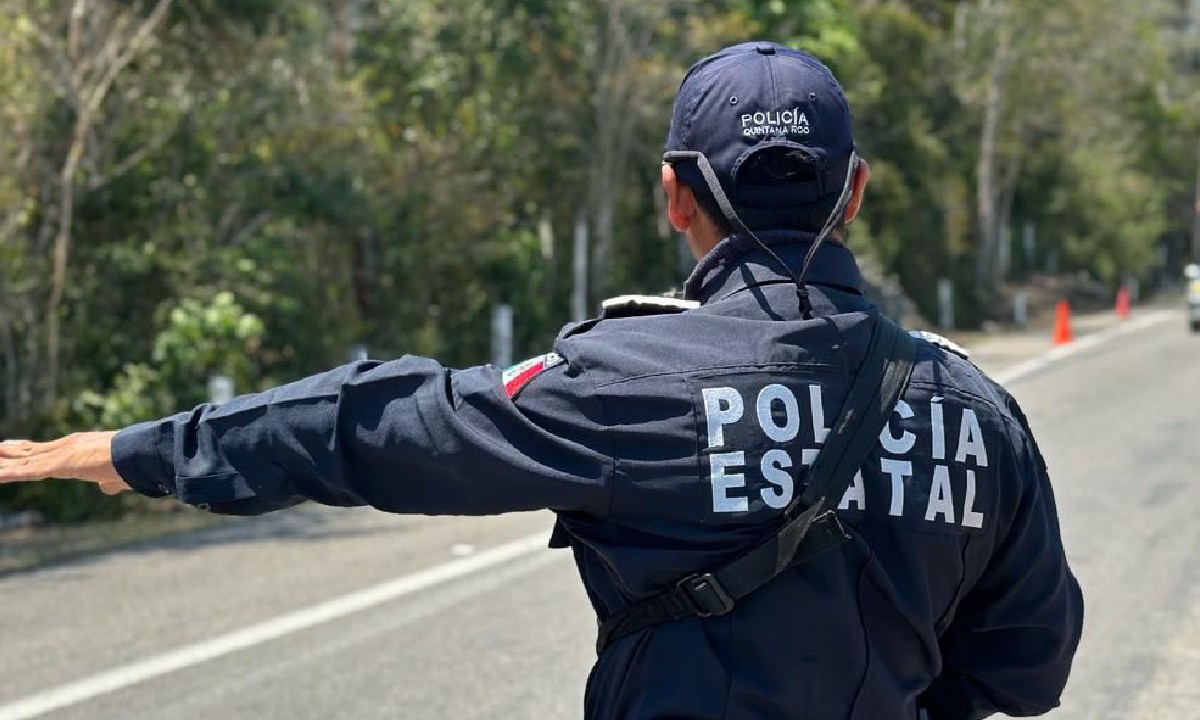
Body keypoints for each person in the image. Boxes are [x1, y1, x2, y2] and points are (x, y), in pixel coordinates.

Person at [0, 42, 1082, 720]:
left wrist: (141, 451)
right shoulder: (978, 413)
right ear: (853, 195)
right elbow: (1027, 673)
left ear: (674, 197)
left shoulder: (626, 381)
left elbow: (371, 426)